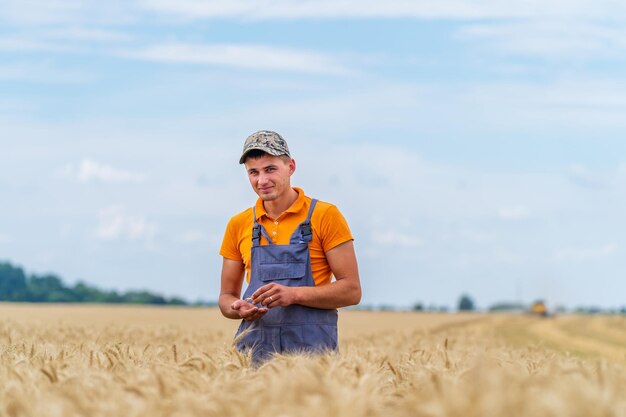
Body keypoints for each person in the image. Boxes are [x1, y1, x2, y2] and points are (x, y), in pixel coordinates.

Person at [218, 130, 361, 364]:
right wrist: (237, 308)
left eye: (270, 169)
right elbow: (226, 297)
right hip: (254, 356)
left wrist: (293, 294)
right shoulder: (238, 224)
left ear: (291, 166)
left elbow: (352, 291)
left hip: (313, 358)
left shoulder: (325, 215)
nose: (261, 180)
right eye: (253, 172)